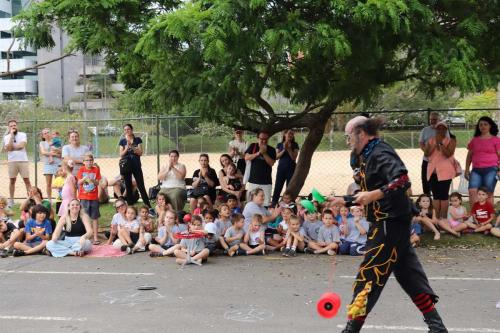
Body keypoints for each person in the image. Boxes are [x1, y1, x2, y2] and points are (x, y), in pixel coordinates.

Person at [335, 116, 447, 333]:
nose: (348, 141)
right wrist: (346, 200)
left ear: (362, 134)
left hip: (389, 223)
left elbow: (402, 180)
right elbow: (367, 191)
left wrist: (374, 195)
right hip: (390, 222)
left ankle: (351, 330)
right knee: (409, 275)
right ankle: (437, 327)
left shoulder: (380, 152)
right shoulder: (364, 155)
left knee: (369, 276)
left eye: (349, 136)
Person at [464, 116, 500, 206]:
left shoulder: (496, 140)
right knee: (472, 191)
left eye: (485, 124)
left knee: (488, 193)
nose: (483, 126)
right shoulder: (474, 140)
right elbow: (469, 156)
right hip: (476, 170)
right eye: (480, 125)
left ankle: (488, 217)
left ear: (490, 126)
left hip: (491, 169)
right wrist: (467, 170)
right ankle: (475, 216)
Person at [424, 121, 456, 219]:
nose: (440, 130)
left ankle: (444, 218)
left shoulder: (451, 140)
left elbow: (448, 154)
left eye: (443, 128)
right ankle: (436, 218)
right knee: (436, 196)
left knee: (444, 196)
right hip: (433, 172)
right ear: (436, 130)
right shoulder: (431, 140)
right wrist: (434, 144)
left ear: (446, 130)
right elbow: (426, 154)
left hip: (445, 173)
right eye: (438, 128)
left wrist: (441, 144)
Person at [119, 124, 152, 210]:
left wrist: (132, 147)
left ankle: (148, 206)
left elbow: (140, 152)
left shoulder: (138, 140)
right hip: (126, 166)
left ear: (132, 130)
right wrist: (126, 148)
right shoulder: (122, 141)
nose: (127, 131)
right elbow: (121, 154)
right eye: (125, 130)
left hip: (136, 165)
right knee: (128, 186)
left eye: (128, 129)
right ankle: (130, 207)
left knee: (141, 185)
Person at [3, 119, 31, 208]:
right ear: (9, 127)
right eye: (11, 126)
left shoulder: (23, 134)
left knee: (27, 180)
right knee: (12, 181)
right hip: (12, 161)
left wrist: (11, 147)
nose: (13, 127)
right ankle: (11, 200)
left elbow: (22, 146)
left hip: (23, 160)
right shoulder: (6, 137)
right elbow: (9, 149)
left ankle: (30, 199)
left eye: (14, 125)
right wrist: (11, 136)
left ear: (17, 126)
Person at [244, 130, 276, 206]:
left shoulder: (271, 149)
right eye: (262, 139)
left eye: (266, 139)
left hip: (266, 182)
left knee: (265, 203)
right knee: (251, 203)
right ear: (258, 138)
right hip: (253, 180)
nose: (264, 141)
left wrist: (264, 153)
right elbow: (246, 157)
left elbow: (271, 163)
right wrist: (258, 153)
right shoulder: (253, 146)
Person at [76, 152, 101, 245]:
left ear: (93, 161)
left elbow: (98, 183)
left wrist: (93, 180)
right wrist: (84, 179)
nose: (89, 162)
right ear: (83, 162)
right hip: (84, 197)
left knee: (95, 217)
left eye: (91, 160)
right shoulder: (81, 169)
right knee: (84, 217)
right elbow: (79, 182)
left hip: (94, 197)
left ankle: (95, 237)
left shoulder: (96, 170)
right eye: (87, 161)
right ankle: (86, 236)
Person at [272, 129, 300, 207]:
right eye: (289, 133)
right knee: (278, 186)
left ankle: (290, 205)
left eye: (292, 134)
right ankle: (274, 203)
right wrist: (284, 149)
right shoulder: (279, 144)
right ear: (284, 134)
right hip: (281, 169)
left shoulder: (295, 145)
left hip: (291, 169)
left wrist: (289, 149)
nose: (290, 135)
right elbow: (276, 157)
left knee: (289, 188)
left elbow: (294, 158)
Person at [419, 112, 442, 195]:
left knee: (438, 180)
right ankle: (427, 199)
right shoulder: (425, 130)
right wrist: (427, 152)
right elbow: (421, 143)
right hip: (427, 160)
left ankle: (437, 199)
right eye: (431, 119)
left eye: (435, 119)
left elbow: (447, 143)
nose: (432, 121)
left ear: (439, 120)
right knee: (425, 180)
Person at [39, 128, 62, 201]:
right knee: (48, 184)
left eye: (48, 132)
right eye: (44, 133)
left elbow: (61, 152)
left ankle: (60, 198)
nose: (47, 134)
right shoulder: (42, 143)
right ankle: (49, 200)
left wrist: (54, 153)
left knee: (59, 182)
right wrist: (54, 154)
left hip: (58, 164)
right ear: (43, 135)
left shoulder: (56, 141)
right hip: (48, 165)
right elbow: (43, 152)